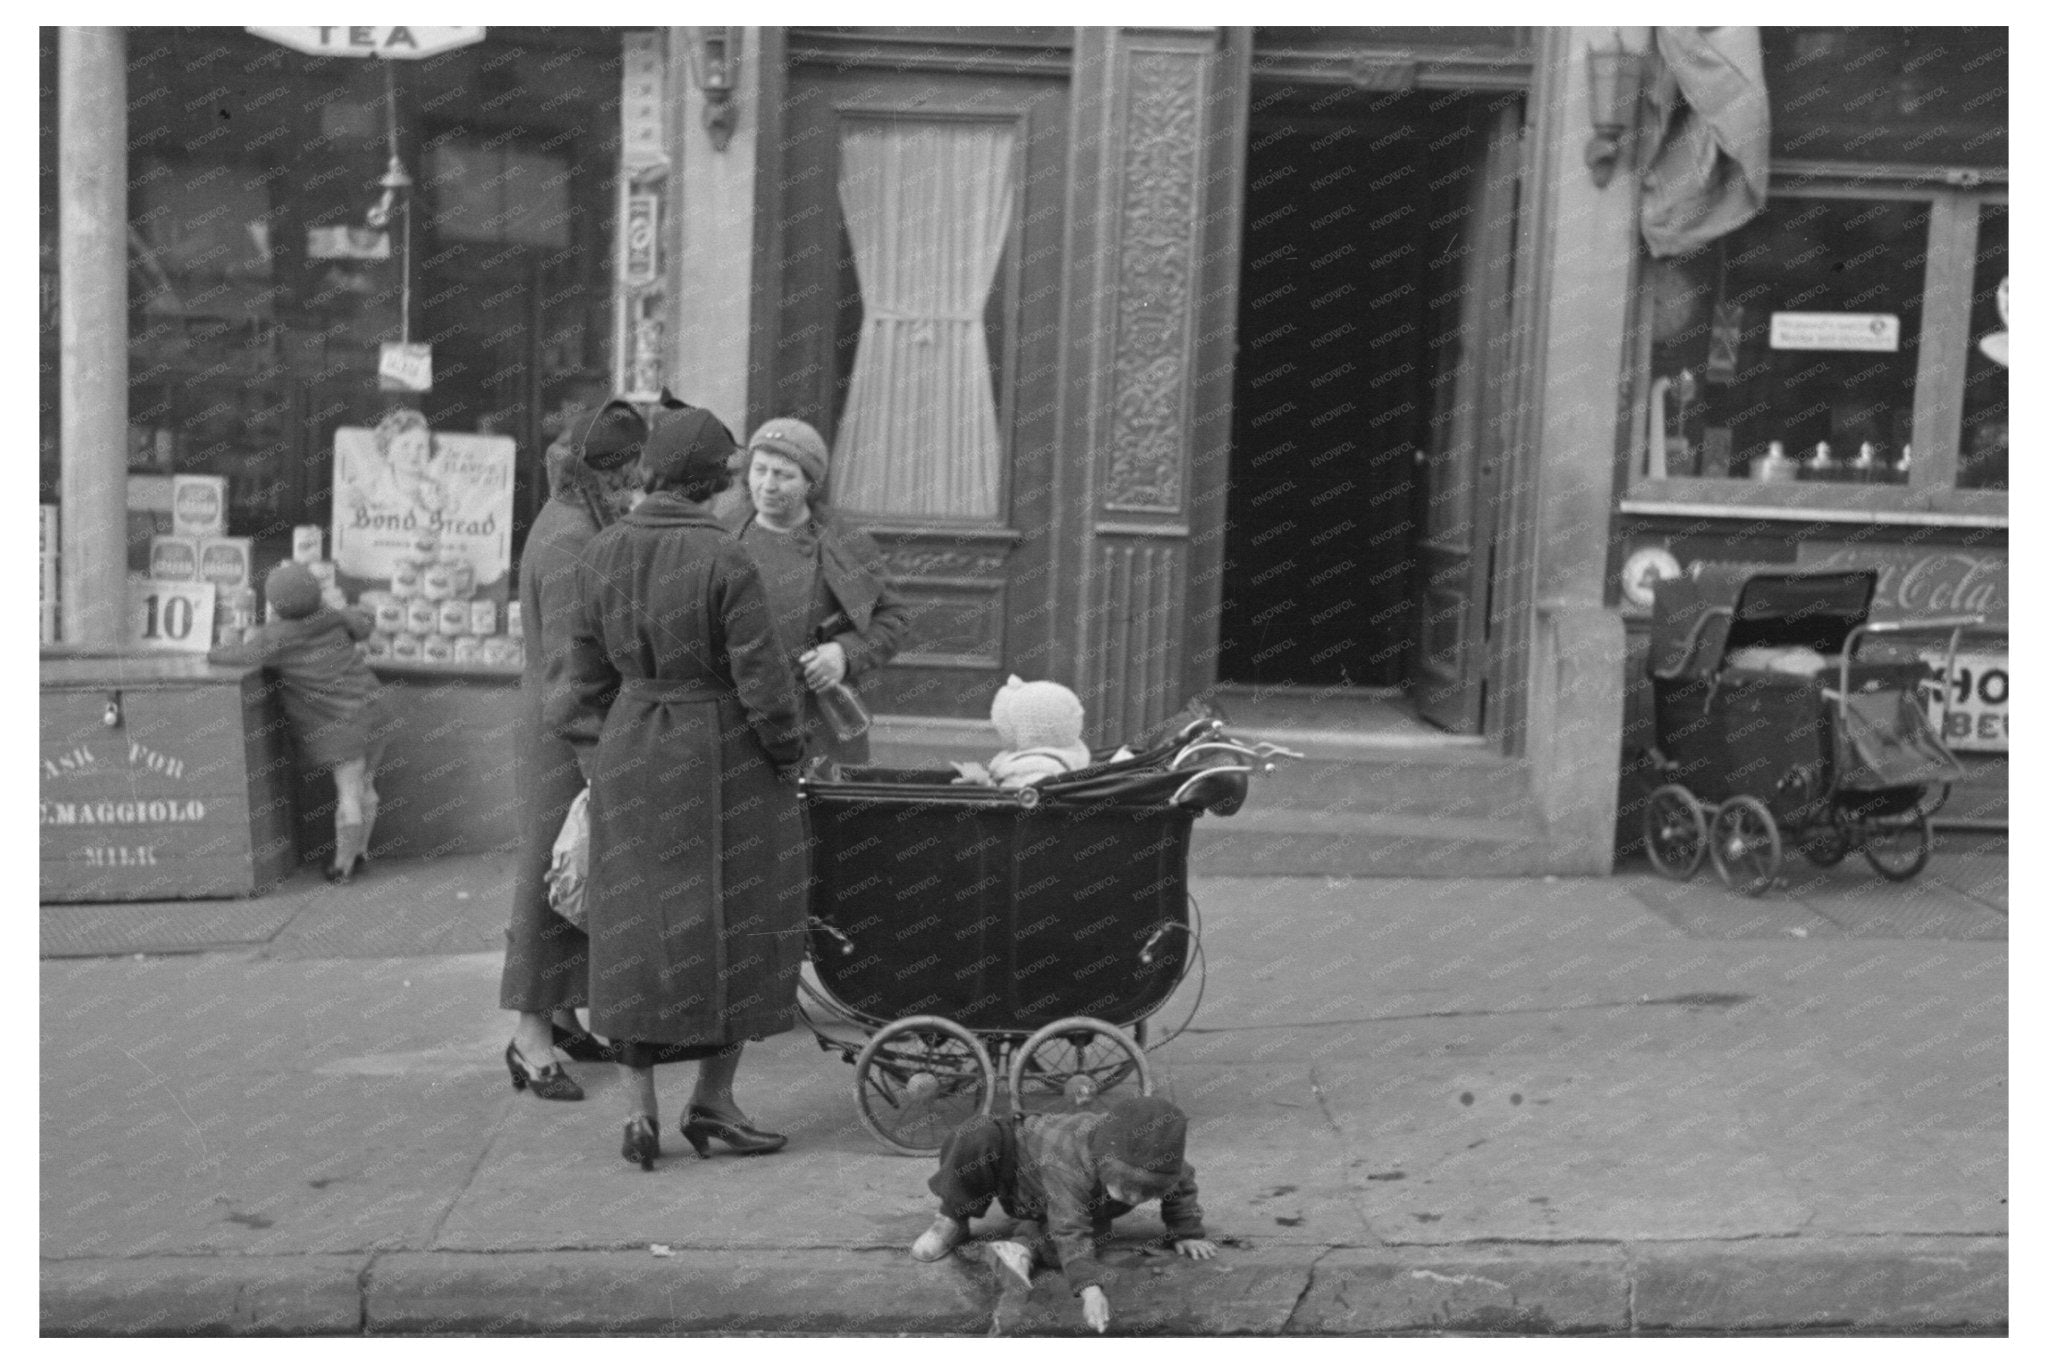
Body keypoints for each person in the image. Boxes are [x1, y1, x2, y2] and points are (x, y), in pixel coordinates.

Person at [547, 407, 810, 1172]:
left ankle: (638, 1115)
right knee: (735, 921)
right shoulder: (728, 561)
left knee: (632, 927)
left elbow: (576, 691)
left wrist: (609, 757)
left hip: (630, 749)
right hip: (720, 757)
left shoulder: (599, 554)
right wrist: (786, 757)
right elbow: (764, 685)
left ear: (652, 472)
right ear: (713, 482)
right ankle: (713, 1101)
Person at [497, 399, 649, 1103]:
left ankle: (560, 1014)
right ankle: (529, 1037)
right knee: (549, 875)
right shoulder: (571, 539)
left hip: (565, 720)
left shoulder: (574, 520)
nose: (634, 490)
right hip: (566, 730)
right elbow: (568, 668)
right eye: (628, 477)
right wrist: (597, 757)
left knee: (571, 873)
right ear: (606, 473)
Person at [910, 1095, 1218, 1334]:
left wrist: (1186, 1231)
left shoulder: (1164, 1163)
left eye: (1147, 1191)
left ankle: (1023, 1245)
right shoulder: (1072, 1157)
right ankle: (951, 1219)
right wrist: (1090, 1290)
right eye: (1128, 1186)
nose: (1136, 1198)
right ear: (1104, 1161)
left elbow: (1182, 1185)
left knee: (1077, 1248)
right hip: (1018, 1171)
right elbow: (1070, 1227)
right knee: (975, 1136)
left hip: (1074, 1198)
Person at [722, 417, 910, 768]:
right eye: (760, 470)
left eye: (784, 475)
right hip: (738, 721)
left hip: (818, 722)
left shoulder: (845, 543)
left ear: (810, 483)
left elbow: (893, 618)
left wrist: (844, 653)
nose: (768, 485)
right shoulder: (722, 538)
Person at [209, 561, 395, 884]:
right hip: (375, 710)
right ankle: (361, 852)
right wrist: (340, 613)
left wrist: (212, 653)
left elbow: (239, 656)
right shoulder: (331, 618)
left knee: (348, 793)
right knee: (366, 787)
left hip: (343, 724)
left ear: (276, 605)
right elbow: (364, 624)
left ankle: (342, 866)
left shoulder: (277, 637)